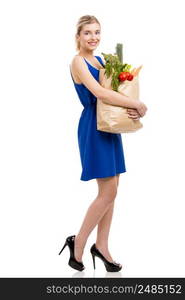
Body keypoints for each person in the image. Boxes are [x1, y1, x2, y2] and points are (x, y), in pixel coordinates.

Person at [59, 15, 147, 272]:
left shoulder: (101, 60)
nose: (93, 37)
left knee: (112, 191)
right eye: (87, 33)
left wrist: (130, 107)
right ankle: (79, 242)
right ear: (78, 37)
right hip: (94, 127)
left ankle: (102, 246)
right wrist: (137, 104)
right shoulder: (78, 62)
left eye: (97, 32)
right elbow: (98, 93)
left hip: (110, 125)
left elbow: (116, 93)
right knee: (107, 191)